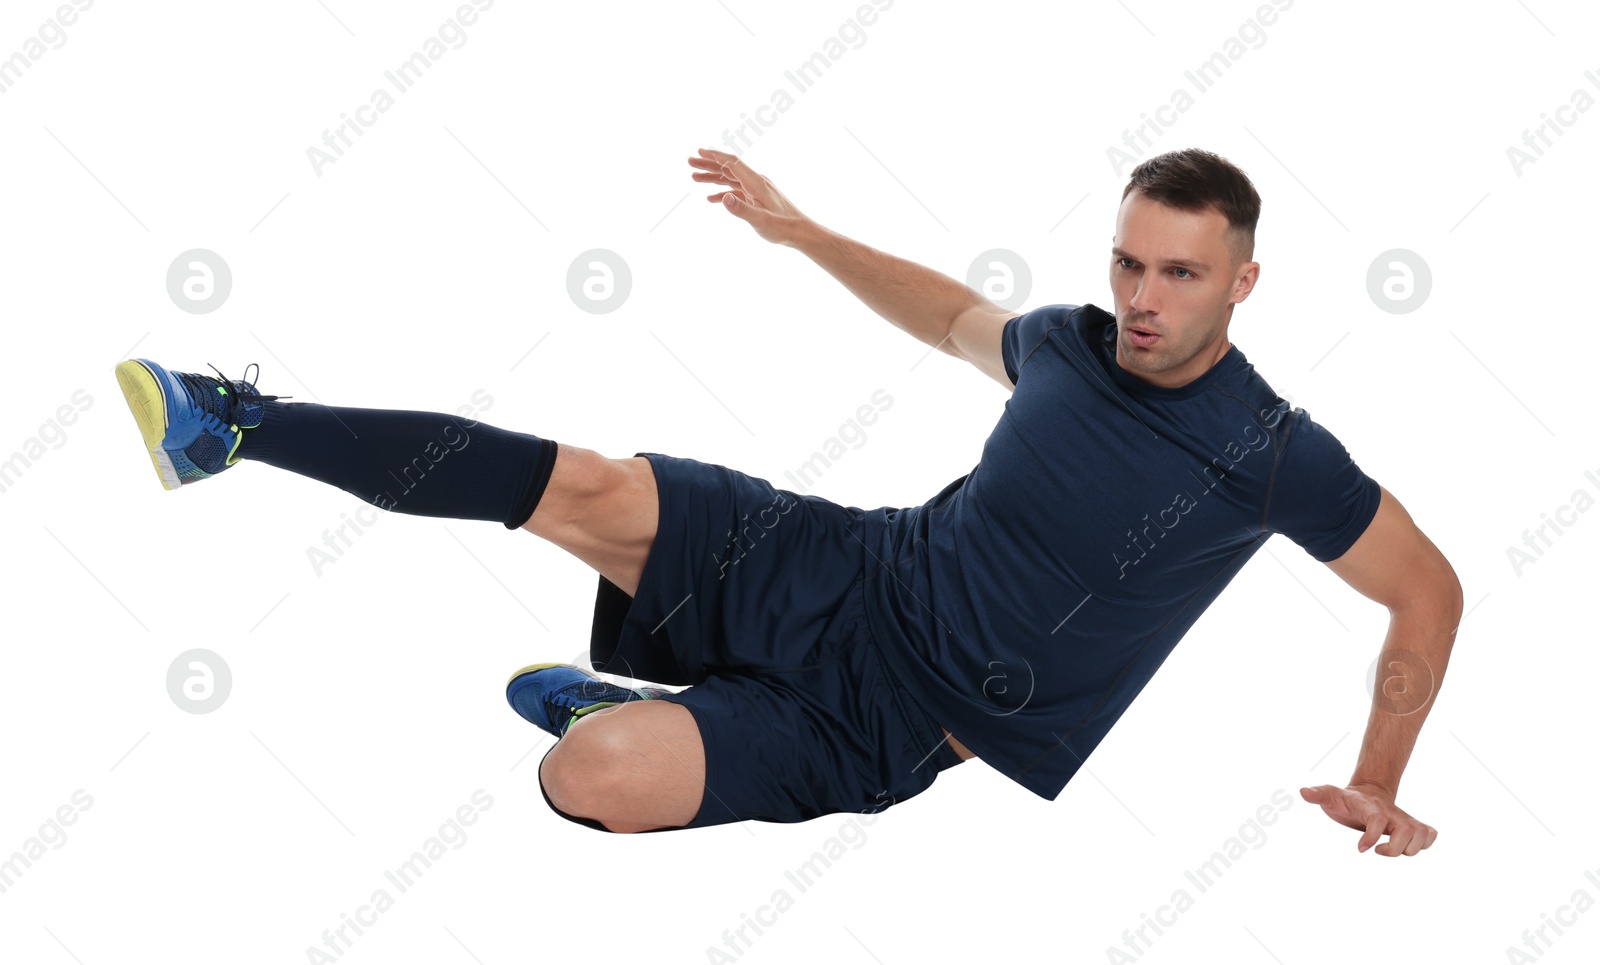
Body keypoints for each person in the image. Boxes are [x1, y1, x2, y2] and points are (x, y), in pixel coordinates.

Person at [114, 146, 1459, 855]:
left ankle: (628, 711)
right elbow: (950, 313)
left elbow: (1427, 590)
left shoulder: (1272, 451)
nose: (1144, 298)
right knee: (584, 482)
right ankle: (235, 424)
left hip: (897, 721)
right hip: (841, 564)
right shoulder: (1069, 340)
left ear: (1243, 281)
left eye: (1178, 273)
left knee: (589, 779)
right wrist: (802, 230)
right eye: (1128, 263)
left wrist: (1378, 779)